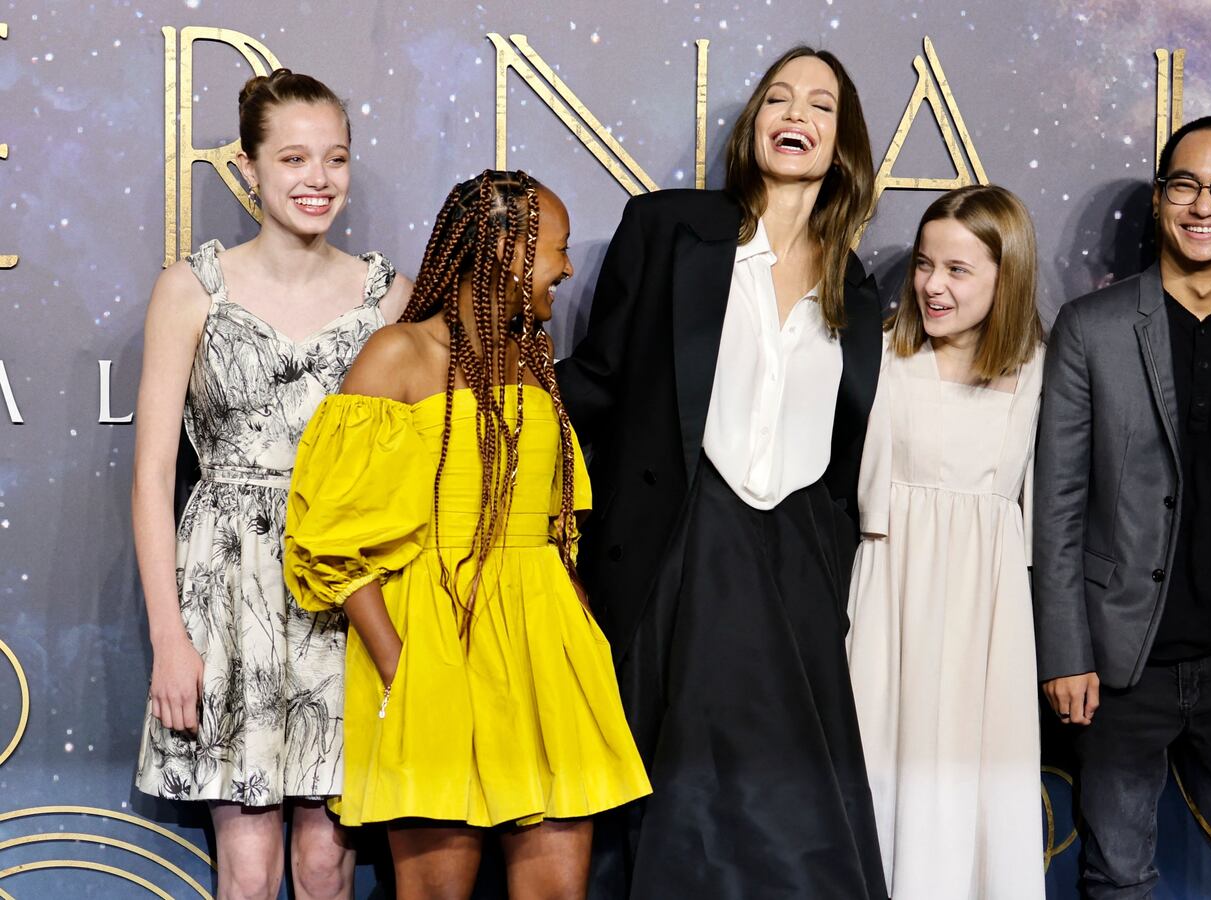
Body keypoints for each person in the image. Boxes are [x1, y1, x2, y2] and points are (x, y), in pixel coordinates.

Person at [557, 45, 887, 900]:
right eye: (779, 99)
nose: (797, 115)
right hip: (680, 548)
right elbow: (594, 384)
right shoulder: (669, 229)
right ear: (753, 127)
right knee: (668, 804)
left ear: (842, 142)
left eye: (821, 105)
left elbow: (850, 447)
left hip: (798, 566)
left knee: (792, 814)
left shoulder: (857, 286)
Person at [282, 171, 650, 900]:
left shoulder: (534, 361)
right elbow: (330, 535)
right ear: (507, 250)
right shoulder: (398, 355)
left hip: (544, 646)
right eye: (557, 250)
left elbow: (555, 518)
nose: (568, 270)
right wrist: (400, 664)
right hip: (432, 640)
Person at [131, 68, 409, 900]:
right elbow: (151, 475)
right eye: (293, 158)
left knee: (328, 867)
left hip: (346, 594)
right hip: (227, 596)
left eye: (336, 158)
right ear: (248, 168)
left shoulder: (386, 299)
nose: (318, 179)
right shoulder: (191, 290)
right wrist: (169, 639)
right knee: (246, 875)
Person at [1033, 115, 1211, 899]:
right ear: (1162, 198)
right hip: (1118, 656)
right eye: (1187, 184)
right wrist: (1067, 650)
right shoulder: (1090, 328)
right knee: (1120, 876)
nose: (1207, 204)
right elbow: (1056, 503)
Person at [845, 184, 1046, 900]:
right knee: (881, 781)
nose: (932, 285)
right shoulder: (875, 361)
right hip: (886, 609)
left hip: (983, 624)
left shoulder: (1040, 376)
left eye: (958, 270)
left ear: (1006, 276)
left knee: (969, 797)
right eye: (926, 264)